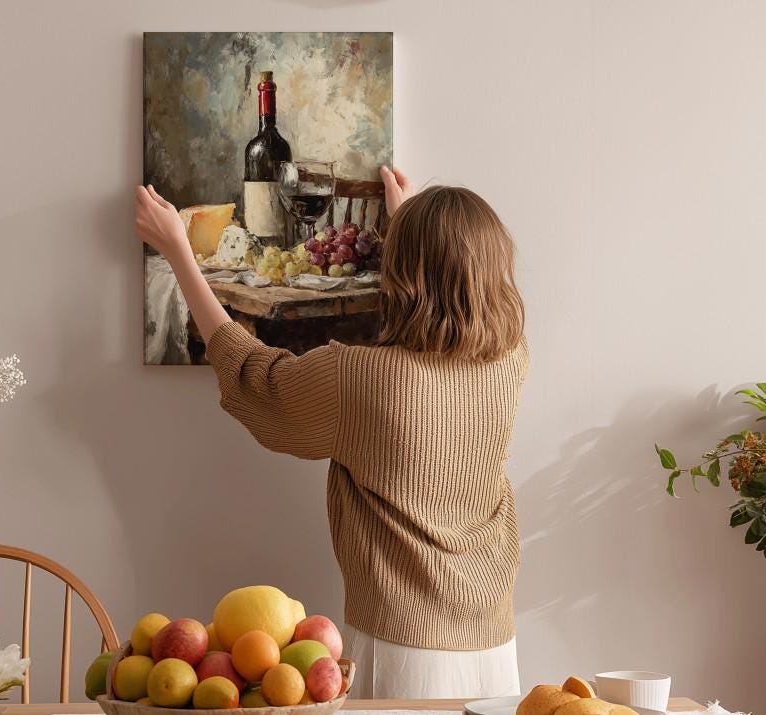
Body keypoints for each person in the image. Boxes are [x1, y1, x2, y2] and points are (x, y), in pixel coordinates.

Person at [134, 166, 528, 699]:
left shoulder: (360, 378)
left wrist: (179, 252)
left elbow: (255, 376)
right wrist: (410, 223)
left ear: (401, 270)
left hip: (402, 646)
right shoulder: (510, 360)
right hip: (495, 645)